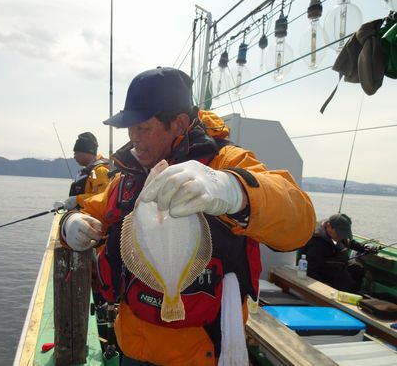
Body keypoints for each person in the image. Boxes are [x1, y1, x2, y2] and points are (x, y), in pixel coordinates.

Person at [58, 67, 316, 365]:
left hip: (199, 350)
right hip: (131, 343)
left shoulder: (225, 162)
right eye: (130, 129)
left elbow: (301, 220)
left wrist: (235, 190)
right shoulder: (129, 175)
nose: (133, 139)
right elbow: (94, 209)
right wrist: (71, 226)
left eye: (143, 128)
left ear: (179, 123)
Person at [301, 213, 377, 293]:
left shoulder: (335, 231)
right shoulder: (318, 244)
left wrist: (363, 248)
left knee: (357, 268)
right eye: (339, 234)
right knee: (344, 278)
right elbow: (310, 270)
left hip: (337, 263)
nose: (341, 237)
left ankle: (355, 292)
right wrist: (325, 287)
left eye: (343, 234)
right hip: (323, 269)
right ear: (329, 226)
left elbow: (347, 241)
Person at [55, 132, 110, 211]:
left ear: (86, 153)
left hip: (92, 218)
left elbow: (101, 196)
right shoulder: (87, 171)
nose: (74, 157)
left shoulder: (99, 171)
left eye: (76, 153)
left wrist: (77, 200)